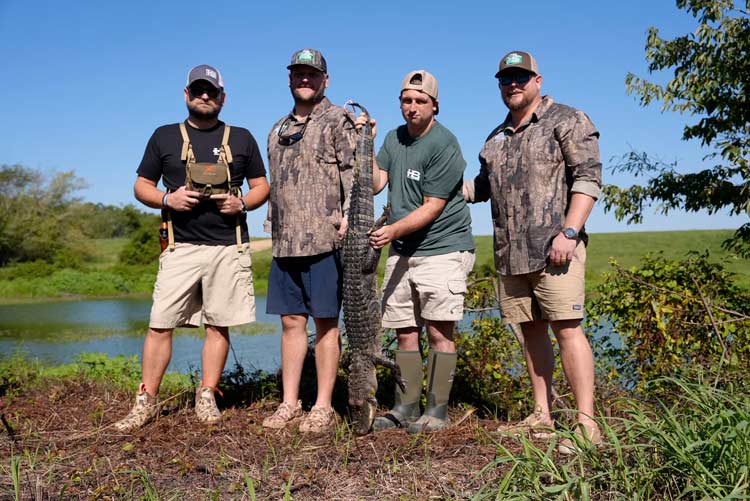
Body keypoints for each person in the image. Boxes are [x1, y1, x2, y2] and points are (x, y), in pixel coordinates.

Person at [114, 64, 270, 431]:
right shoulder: (164, 136)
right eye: (198, 90)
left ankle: (207, 395)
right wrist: (168, 199)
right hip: (179, 247)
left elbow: (262, 186)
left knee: (218, 325)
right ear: (186, 95)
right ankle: (146, 400)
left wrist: (243, 203)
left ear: (222, 98)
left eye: (211, 91)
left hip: (227, 248)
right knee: (160, 323)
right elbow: (141, 186)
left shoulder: (242, 138)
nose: (205, 96)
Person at [464, 51, 603, 453]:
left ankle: (586, 424)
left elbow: (588, 179)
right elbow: (482, 187)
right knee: (530, 332)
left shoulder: (567, 119)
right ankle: (541, 415)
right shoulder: (494, 139)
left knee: (567, 328)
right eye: (506, 79)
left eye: (521, 77)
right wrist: (445, 191)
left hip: (556, 250)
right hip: (512, 254)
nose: (513, 84)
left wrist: (570, 232)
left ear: (537, 81)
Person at [368, 70, 475, 434]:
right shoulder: (393, 138)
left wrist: (390, 231)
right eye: (406, 100)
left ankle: (438, 411)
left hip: (441, 247)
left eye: (420, 101)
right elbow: (376, 182)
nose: (412, 108)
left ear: (435, 106)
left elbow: (432, 206)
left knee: (438, 331)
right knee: (404, 330)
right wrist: (363, 143)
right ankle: (406, 405)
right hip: (402, 247)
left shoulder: (445, 144)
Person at [262, 49, 358, 433]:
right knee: (290, 322)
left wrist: (351, 217)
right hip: (285, 243)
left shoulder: (339, 120)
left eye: (312, 74)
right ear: (289, 79)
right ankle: (289, 403)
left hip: (326, 240)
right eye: (298, 73)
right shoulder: (277, 128)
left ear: (325, 80)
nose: (305, 79)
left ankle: (322, 406)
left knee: (326, 324)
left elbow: (354, 175)